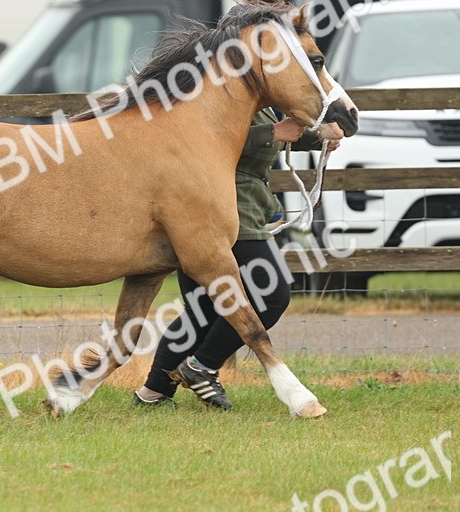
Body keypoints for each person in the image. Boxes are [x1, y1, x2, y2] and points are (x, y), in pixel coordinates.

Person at [133, 109, 344, 410]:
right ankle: (202, 367)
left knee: (203, 309)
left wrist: (317, 136)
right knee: (271, 295)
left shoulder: (251, 94)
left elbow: (273, 131)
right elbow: (209, 138)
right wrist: (272, 133)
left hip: (215, 213)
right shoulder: (216, 89)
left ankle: (153, 392)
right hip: (227, 213)